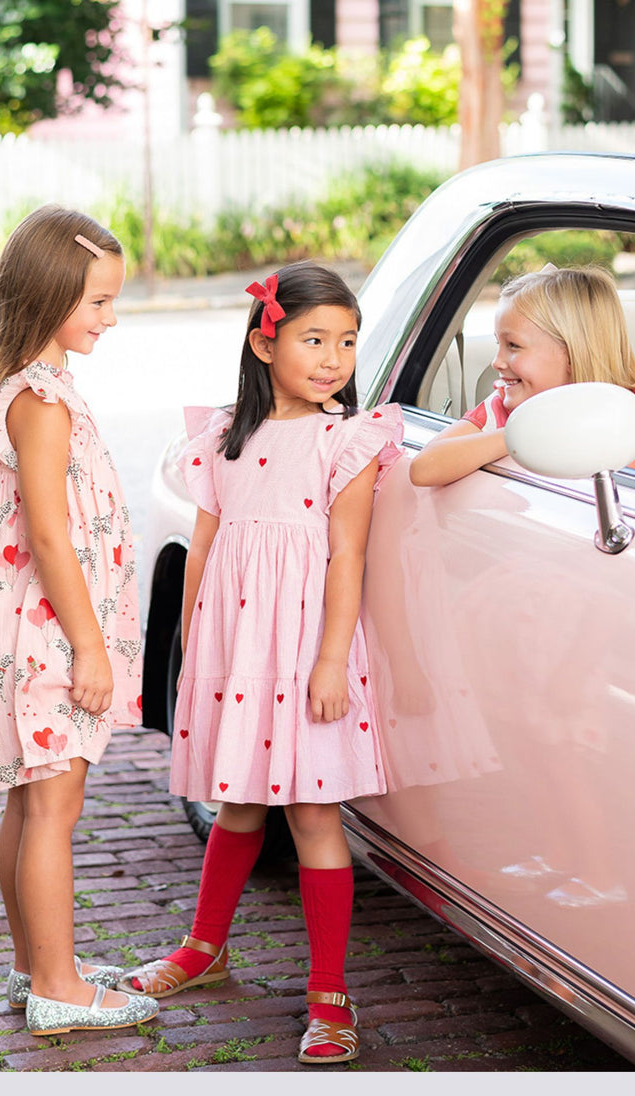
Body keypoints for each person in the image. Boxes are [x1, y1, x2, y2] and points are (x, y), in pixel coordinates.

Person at [116, 261, 403, 1065]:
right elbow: (204, 549)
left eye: (346, 342)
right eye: (315, 339)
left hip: (307, 651)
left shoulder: (349, 440)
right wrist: (190, 651)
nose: (334, 358)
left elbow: (347, 557)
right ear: (263, 342)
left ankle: (329, 992)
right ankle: (203, 948)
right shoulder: (222, 440)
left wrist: (331, 660)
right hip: (236, 656)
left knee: (313, 817)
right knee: (238, 803)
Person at [0, 206, 159, 1037]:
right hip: (50, 634)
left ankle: (36, 965)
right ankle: (59, 987)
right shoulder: (41, 402)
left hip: (31, 630)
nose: (111, 319)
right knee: (53, 809)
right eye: (98, 304)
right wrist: (89, 646)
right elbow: (48, 533)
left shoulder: (40, 387)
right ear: (47, 299)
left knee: (28, 804)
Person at [409, 264, 635, 487]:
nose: (497, 361)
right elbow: (424, 467)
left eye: (513, 346)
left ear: (572, 353)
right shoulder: (502, 412)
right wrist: (518, 437)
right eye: (499, 344)